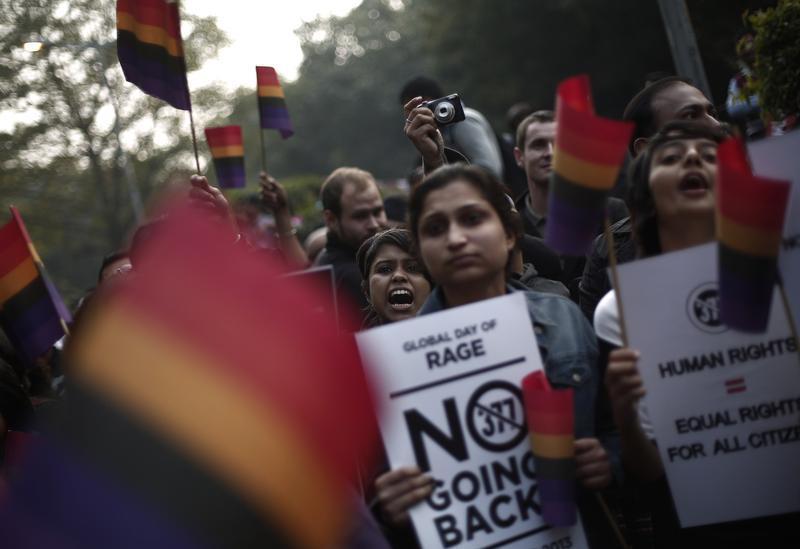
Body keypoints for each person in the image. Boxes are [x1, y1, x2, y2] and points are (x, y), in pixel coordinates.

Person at [374, 164, 616, 546]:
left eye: (472, 219)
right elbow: (382, 493)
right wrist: (390, 509)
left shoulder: (564, 317)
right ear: (421, 251)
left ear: (508, 235)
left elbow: (615, 431)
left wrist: (608, 460)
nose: (456, 239)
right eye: (436, 228)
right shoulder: (392, 365)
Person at [595, 121, 796, 546]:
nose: (692, 159)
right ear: (645, 194)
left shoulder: (788, 280)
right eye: (671, 157)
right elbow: (649, 470)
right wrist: (625, 412)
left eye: (709, 156)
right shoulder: (621, 311)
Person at [579, 77, 721, 320]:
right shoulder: (609, 253)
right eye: (690, 117)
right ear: (645, 151)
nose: (715, 125)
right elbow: (596, 348)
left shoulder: (775, 218)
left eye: (711, 113)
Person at [314, 167, 388, 321]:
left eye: (378, 212)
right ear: (331, 220)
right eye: (360, 216)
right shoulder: (352, 277)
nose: (374, 224)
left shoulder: (364, 263)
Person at [400, 76, 503, 180]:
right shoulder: (441, 129)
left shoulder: (464, 121)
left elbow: (489, 170)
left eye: (415, 109)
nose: (414, 116)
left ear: (426, 101)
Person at [355, 229, 431, 328]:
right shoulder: (348, 343)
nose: (398, 276)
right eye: (385, 269)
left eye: (413, 268)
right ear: (367, 291)